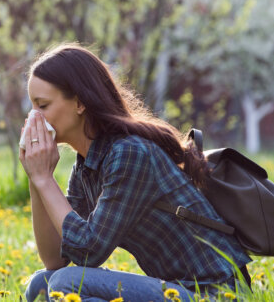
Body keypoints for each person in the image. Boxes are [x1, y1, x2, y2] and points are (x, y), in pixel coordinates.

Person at [19, 44, 252, 302]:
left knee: (66, 284)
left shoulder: (128, 153)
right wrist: (36, 179)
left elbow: (89, 252)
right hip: (173, 290)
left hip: (215, 294)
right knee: (41, 285)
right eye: (32, 107)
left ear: (79, 102)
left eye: (43, 105)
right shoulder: (86, 165)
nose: (34, 119)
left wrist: (45, 179)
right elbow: (55, 259)